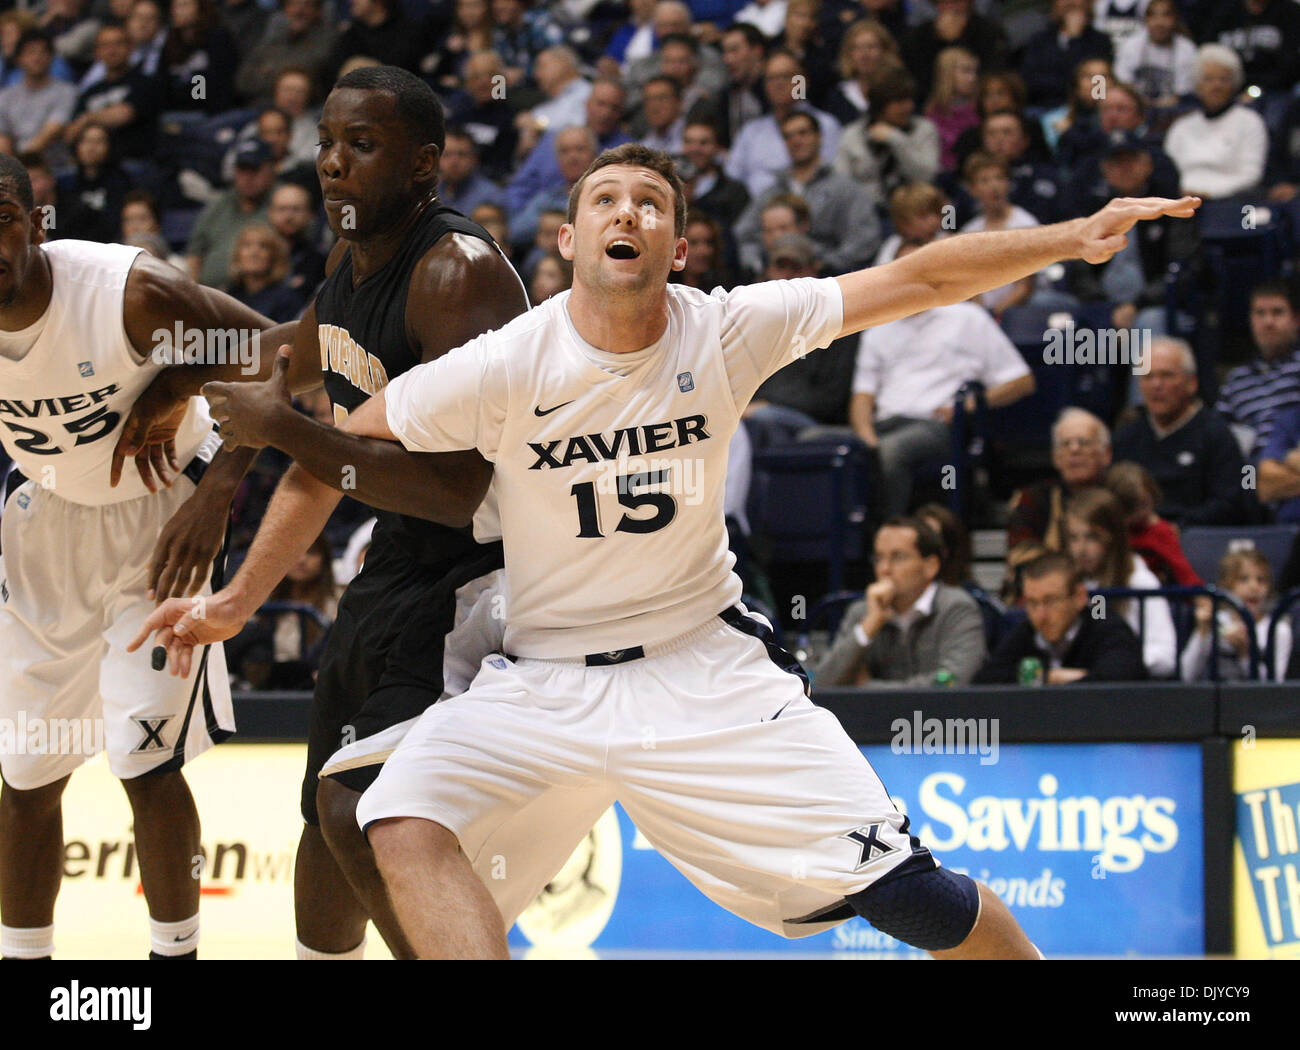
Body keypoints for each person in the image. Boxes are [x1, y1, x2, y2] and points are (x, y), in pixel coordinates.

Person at [136, 141, 1194, 957]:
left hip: (703, 671)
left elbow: (916, 280)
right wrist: (235, 581)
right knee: (393, 812)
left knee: (911, 897)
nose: (626, 213)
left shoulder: (726, 328)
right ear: (569, 238)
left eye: (649, 203)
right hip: (543, 683)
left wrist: (1068, 235)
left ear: (677, 247)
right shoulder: (507, 361)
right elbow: (333, 449)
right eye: (604, 199)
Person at [127, 65, 530, 961]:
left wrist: (276, 433)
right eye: (325, 143)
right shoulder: (356, 255)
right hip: (395, 566)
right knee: (320, 819)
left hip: (487, 579)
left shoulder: (454, 276)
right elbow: (290, 368)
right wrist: (189, 402)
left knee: (367, 813)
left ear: (425, 165)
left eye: (361, 145)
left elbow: (455, 488)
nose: (332, 165)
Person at [0, 150, 288, 962]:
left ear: (36, 222)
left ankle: (176, 958)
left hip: (159, 519)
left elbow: (284, 352)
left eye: (2, 219)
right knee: (23, 776)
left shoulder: (127, 294)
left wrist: (215, 482)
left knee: (143, 760)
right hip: (42, 523)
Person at [851, 243, 1035, 519]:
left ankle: (886, 541)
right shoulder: (877, 324)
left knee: (893, 451)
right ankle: (842, 546)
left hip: (938, 425)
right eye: (903, 268)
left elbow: (1021, 381)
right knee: (826, 446)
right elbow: (862, 396)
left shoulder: (967, 317)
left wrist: (970, 405)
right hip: (884, 424)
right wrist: (866, 437)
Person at [814, 516, 986, 686]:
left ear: (930, 566)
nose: (884, 568)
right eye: (879, 558)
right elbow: (822, 684)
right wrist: (868, 628)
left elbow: (950, 682)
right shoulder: (864, 612)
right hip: (871, 715)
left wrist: (866, 687)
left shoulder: (957, 608)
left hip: (941, 714)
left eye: (898, 557)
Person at [1113, 336, 1253, 527]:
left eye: (1166, 376)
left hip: (1197, 541)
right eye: (1148, 377)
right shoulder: (1125, 439)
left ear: (1191, 383)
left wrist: (1178, 527)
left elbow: (1230, 503)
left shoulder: (1217, 435)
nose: (1156, 385)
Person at [974, 551, 1147, 683]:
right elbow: (985, 681)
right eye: (1032, 603)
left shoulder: (1106, 627)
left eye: (1051, 601)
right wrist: (1050, 677)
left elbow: (1121, 679)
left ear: (1079, 597)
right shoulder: (1027, 631)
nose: (1041, 615)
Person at [1063, 486, 1177, 678]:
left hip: (1130, 693)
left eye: (1092, 537)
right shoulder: (1072, 584)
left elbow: (1164, 658)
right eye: (1073, 538)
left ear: (1113, 536)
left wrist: (1108, 670)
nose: (1080, 550)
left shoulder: (1140, 582)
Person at [1163, 44, 1267, 200]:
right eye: (1208, 79)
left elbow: (1251, 175)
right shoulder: (1182, 126)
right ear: (1197, 85)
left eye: (1223, 79)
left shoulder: (1250, 122)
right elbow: (1167, 170)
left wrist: (1210, 194)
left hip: (1229, 203)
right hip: (1180, 201)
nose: (1216, 86)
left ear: (1234, 84)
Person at [1216, 280, 1300, 461]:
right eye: (1260, 313)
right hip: (1252, 475)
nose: (1268, 322)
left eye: (1277, 312)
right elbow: (1220, 442)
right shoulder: (1235, 381)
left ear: (1296, 320)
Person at [1007, 407, 1112, 551]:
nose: (1074, 450)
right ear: (1055, 458)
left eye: (1084, 442)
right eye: (1065, 444)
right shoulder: (1033, 499)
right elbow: (1020, 556)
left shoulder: (1118, 494)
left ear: (1106, 454)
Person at [1180, 549, 1290, 683]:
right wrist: (1202, 632)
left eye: (1261, 580)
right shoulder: (1214, 621)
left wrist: (1245, 654)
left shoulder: (1278, 630)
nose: (1254, 587)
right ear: (1227, 586)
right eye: (1243, 579)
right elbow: (1186, 675)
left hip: (1256, 702)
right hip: (1213, 701)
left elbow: (1274, 685)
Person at [1104, 461, 1200, 587]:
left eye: (1144, 504)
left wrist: (1203, 602)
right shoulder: (1104, 531)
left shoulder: (1160, 532)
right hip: (1105, 594)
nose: (1141, 513)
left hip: (1146, 595)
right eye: (1131, 508)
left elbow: (1184, 573)